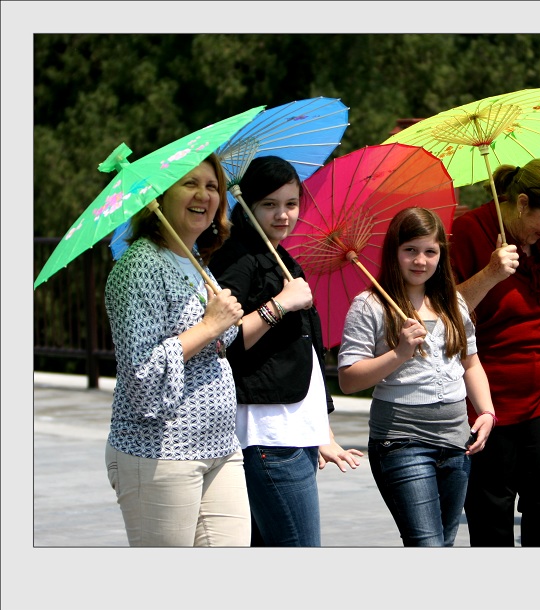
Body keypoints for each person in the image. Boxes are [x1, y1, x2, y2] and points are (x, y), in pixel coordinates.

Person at [209, 155, 363, 547]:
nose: (283, 215)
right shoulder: (238, 258)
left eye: (291, 204)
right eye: (270, 205)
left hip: (292, 430)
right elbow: (226, 338)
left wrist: (320, 430)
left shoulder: (281, 257)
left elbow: (304, 354)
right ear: (246, 205)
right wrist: (281, 303)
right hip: (269, 434)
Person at [104, 153, 251, 547]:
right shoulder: (139, 267)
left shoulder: (195, 262)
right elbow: (141, 373)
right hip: (160, 452)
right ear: (159, 196)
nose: (204, 194)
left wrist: (223, 322)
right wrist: (210, 325)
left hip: (220, 445)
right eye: (190, 183)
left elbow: (216, 344)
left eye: (213, 186)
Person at [337, 206, 497, 547]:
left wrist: (486, 412)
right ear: (394, 251)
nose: (420, 260)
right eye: (410, 250)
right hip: (401, 440)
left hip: (456, 441)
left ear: (441, 254)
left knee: (445, 542)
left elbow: (471, 363)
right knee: (427, 544)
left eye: (430, 251)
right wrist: (399, 353)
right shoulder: (370, 305)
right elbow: (349, 380)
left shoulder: (452, 301)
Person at [449, 158, 540, 547]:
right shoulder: (470, 229)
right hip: (486, 386)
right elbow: (445, 312)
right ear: (522, 203)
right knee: (492, 507)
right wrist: (489, 273)